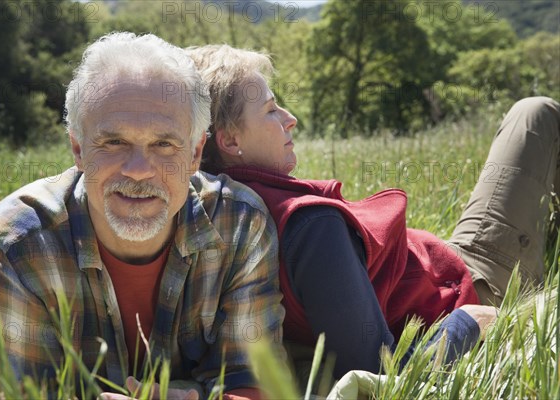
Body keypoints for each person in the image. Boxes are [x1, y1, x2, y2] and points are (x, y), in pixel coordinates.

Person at [188, 44, 560, 378]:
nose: (290, 118)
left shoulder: (205, 217)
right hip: (475, 281)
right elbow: (374, 371)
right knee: (534, 114)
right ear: (230, 139)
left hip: (435, 270)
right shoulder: (310, 226)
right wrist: (469, 322)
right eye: (271, 109)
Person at [0, 33, 286, 400]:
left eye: (163, 144)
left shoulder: (241, 225)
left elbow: (255, 382)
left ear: (196, 153)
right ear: (78, 149)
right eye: (113, 143)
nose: (138, 170)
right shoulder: (11, 249)